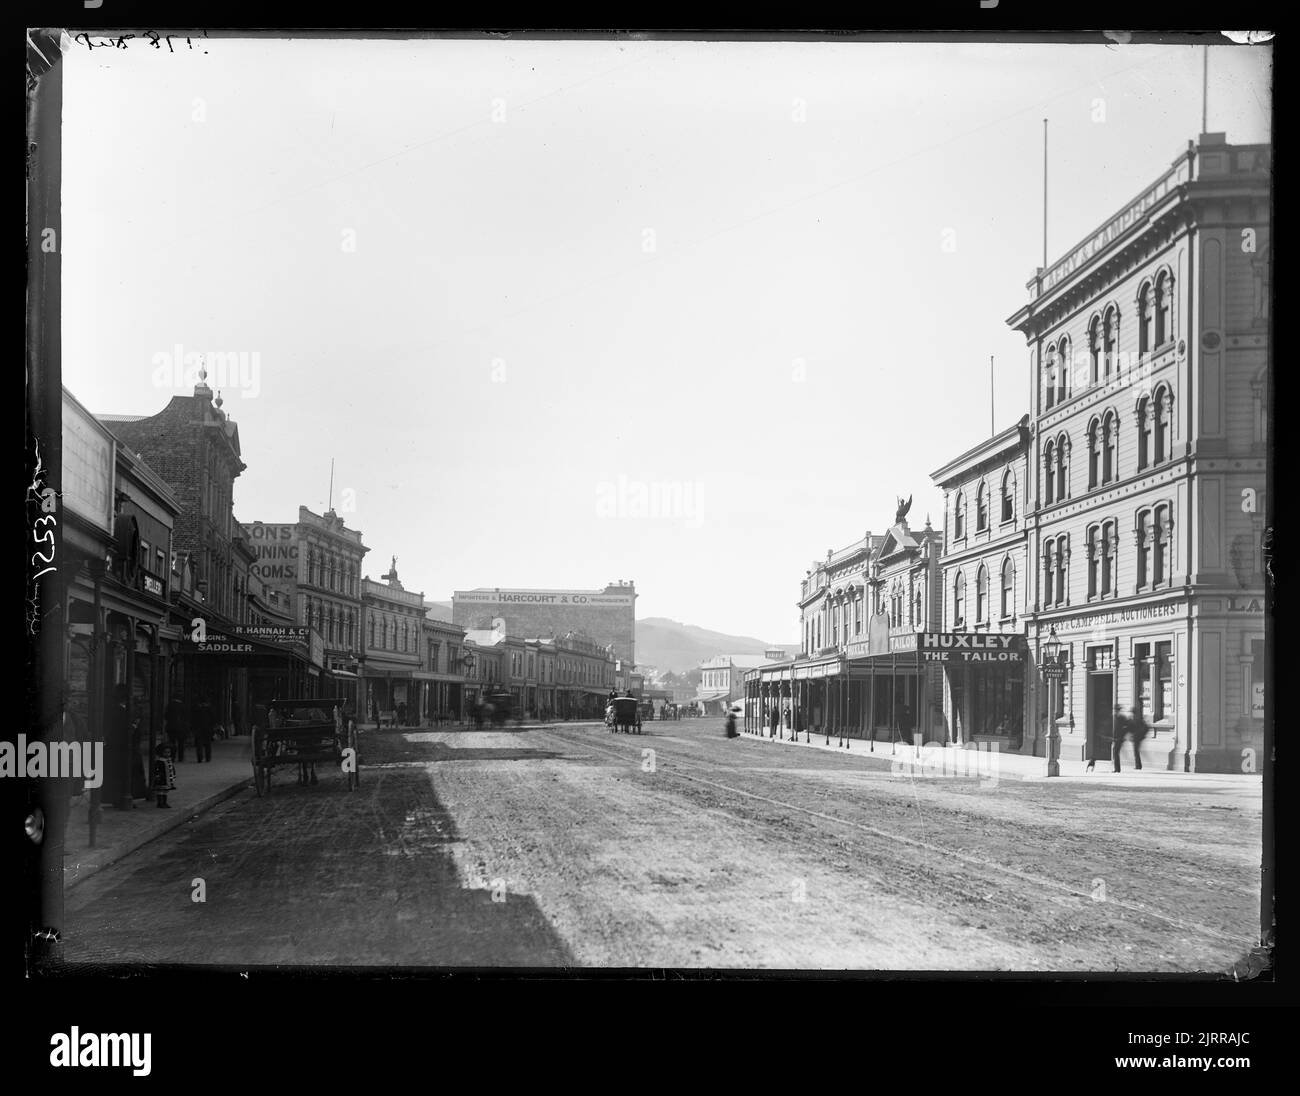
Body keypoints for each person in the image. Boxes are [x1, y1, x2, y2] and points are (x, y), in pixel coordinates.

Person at [152, 740, 176, 808]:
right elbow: (156, 769)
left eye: (169, 752)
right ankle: (160, 803)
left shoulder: (169, 760)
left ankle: (164, 802)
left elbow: (172, 768)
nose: (167, 754)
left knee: (165, 791)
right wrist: (157, 775)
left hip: (168, 778)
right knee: (160, 791)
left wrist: (173, 775)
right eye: (165, 752)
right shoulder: (160, 761)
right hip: (161, 778)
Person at [165, 692, 187, 762]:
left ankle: (172, 757)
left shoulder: (170, 705)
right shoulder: (183, 706)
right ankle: (180, 757)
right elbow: (186, 717)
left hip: (171, 727)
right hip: (181, 727)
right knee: (181, 743)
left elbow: (166, 716)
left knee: (172, 742)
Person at [193, 694, 214, 763]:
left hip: (199, 728)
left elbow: (194, 719)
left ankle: (200, 757)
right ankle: (208, 757)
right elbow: (213, 719)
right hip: (208, 729)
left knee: (199, 744)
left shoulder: (197, 709)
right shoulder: (209, 709)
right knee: (208, 744)